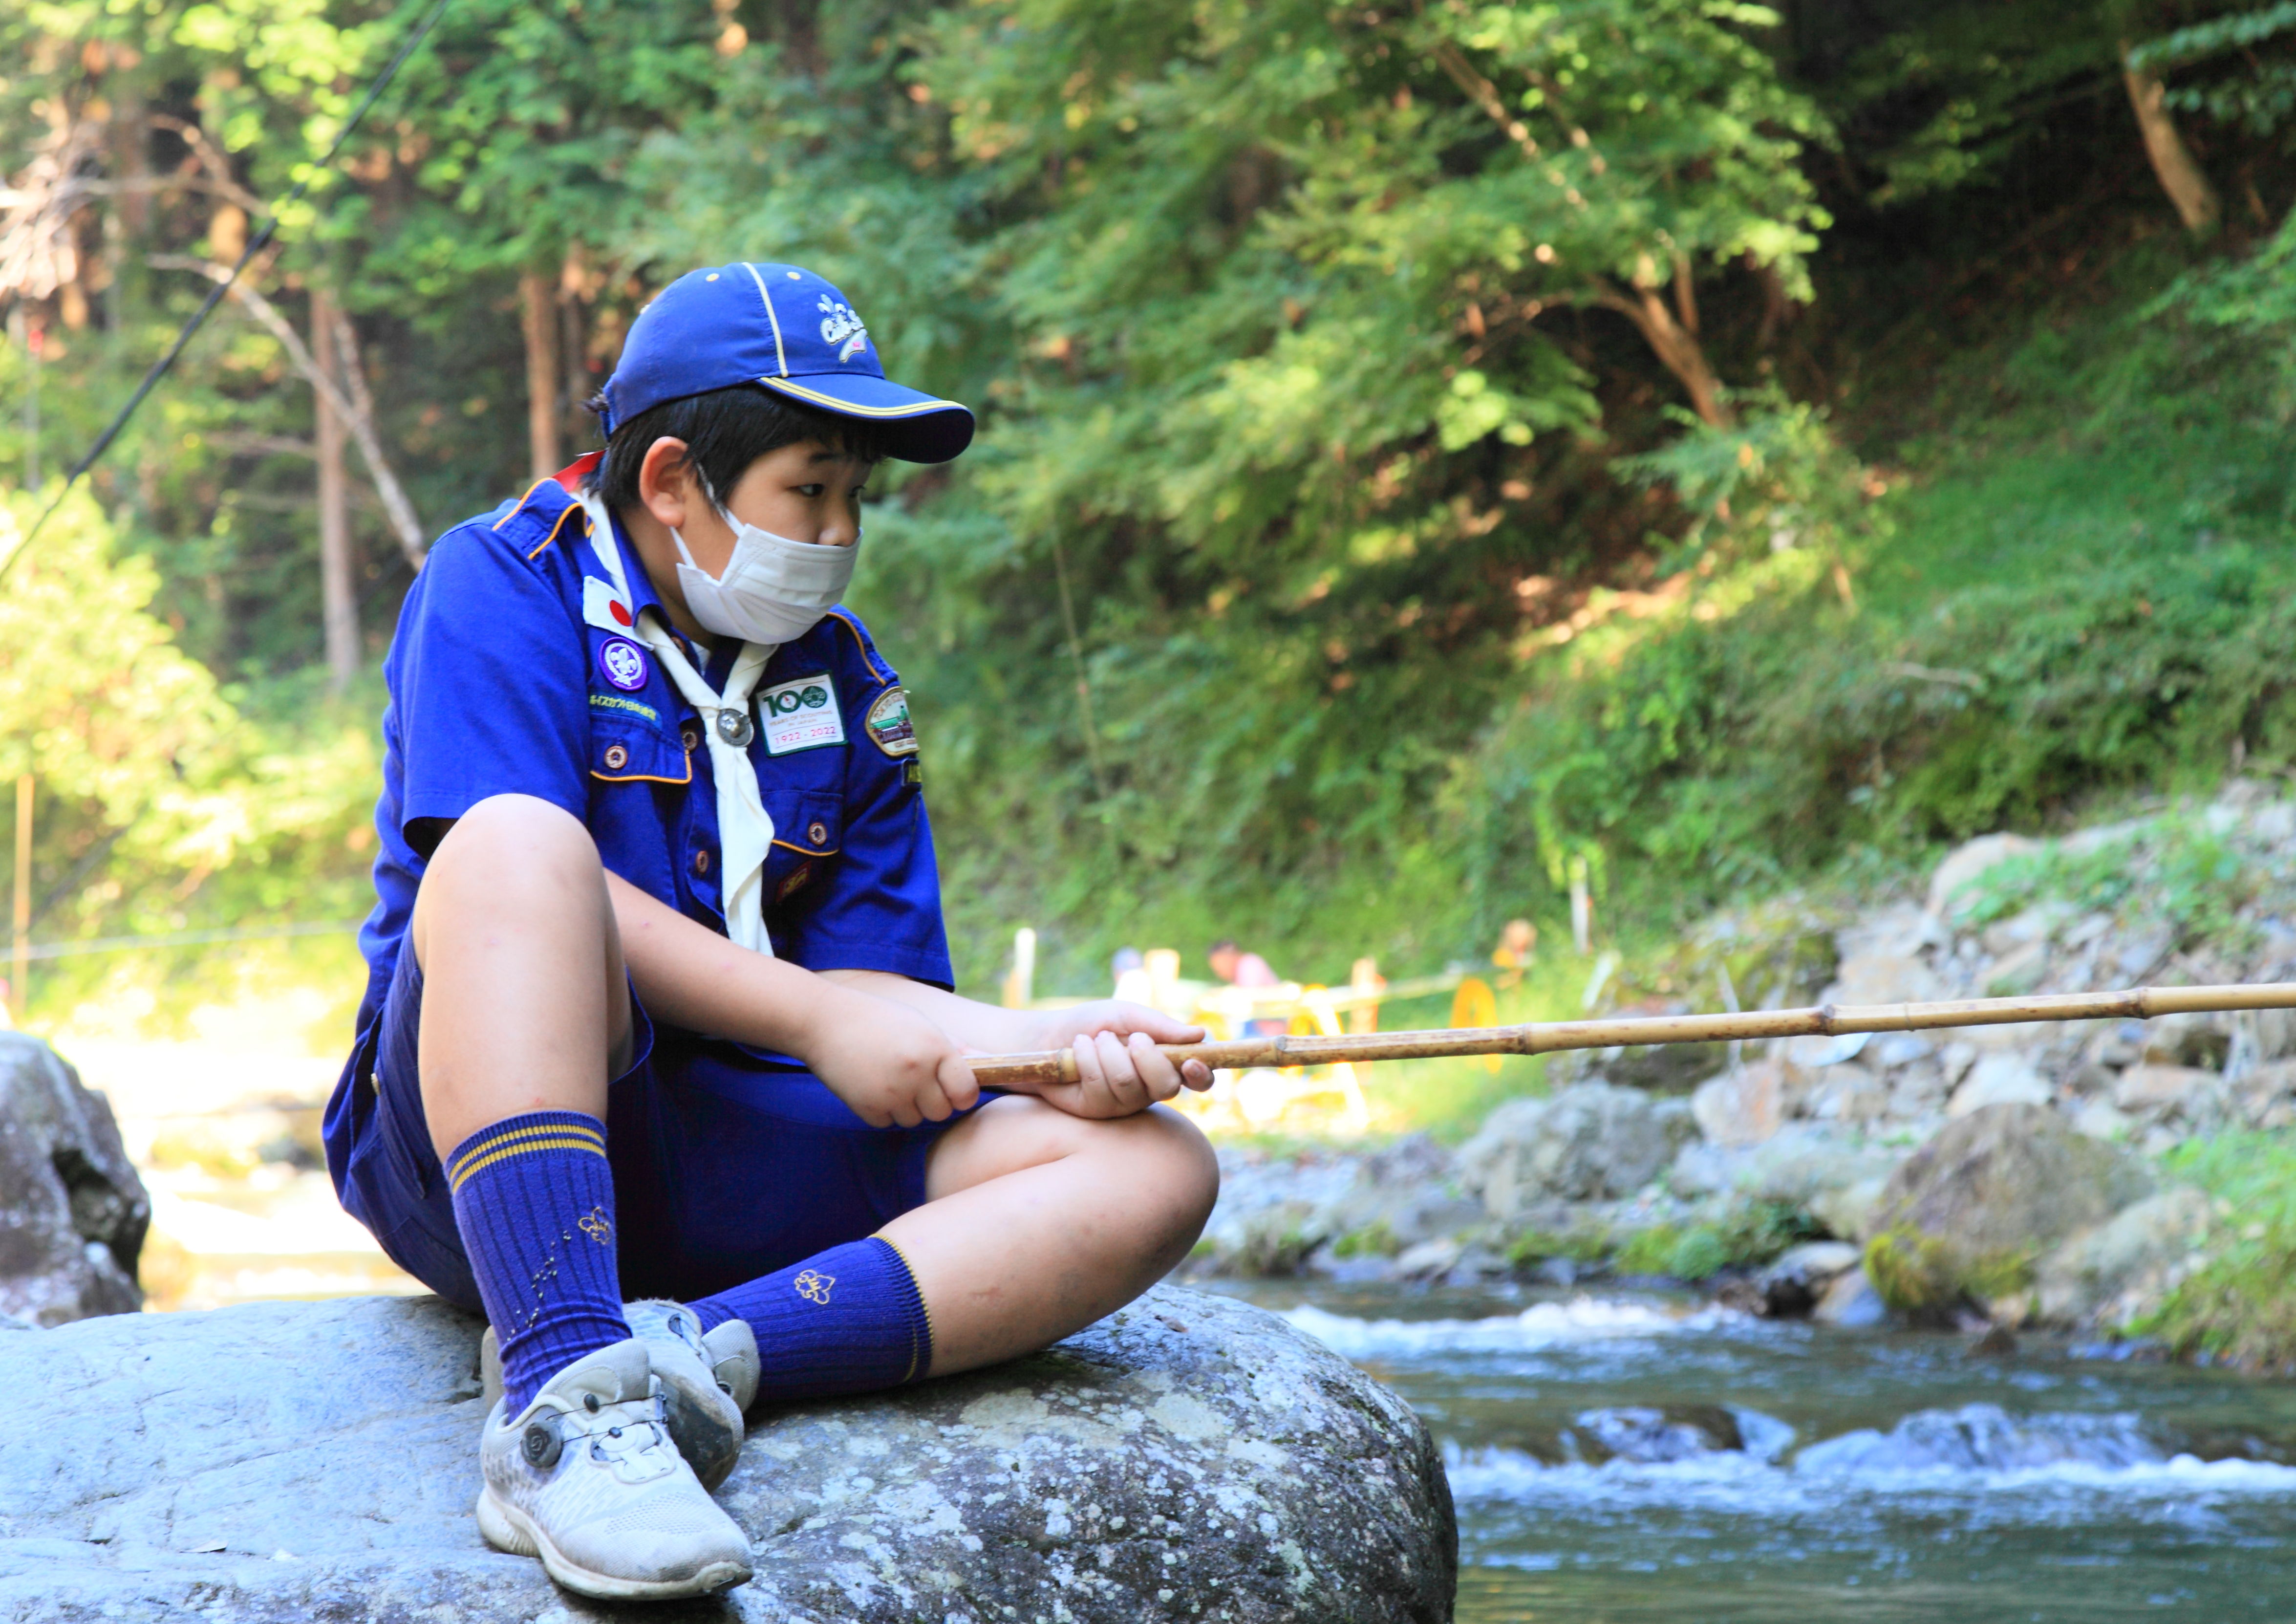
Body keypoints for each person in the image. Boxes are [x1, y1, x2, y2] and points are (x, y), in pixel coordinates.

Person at [320, 263, 1219, 1602]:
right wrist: (811, 1014)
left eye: (858, 497)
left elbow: (876, 993)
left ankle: (690, 1360)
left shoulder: (845, 678)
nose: (841, 530)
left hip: (744, 1150)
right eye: (811, 489)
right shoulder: (500, 580)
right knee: (517, 842)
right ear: (672, 480)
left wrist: (1041, 1045)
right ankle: (559, 1400)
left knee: (1151, 1167)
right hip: (489, 1143)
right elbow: (513, 885)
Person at [1208, 938, 1286, 1038]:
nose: (1220, 974)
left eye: (1219, 968)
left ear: (1228, 957)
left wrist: (1221, 996)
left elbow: (1250, 996)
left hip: (1269, 1031)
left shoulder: (1249, 964)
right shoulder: (1241, 971)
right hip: (1259, 1028)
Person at [1491, 918, 1537, 989]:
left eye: (1522, 936)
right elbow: (1499, 982)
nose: (1519, 939)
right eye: (1517, 935)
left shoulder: (1528, 955)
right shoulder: (1502, 955)